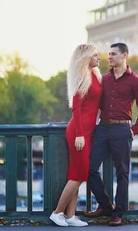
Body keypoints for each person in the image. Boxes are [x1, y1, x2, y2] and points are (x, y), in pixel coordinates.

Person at [85, 42, 138, 227]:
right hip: (102, 128)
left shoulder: (136, 81)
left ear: (124, 55)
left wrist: (134, 129)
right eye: (108, 54)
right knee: (90, 168)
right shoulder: (103, 80)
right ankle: (105, 204)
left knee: (122, 173)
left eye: (113, 54)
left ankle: (117, 213)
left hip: (122, 130)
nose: (109, 57)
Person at [50, 44, 102, 227]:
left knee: (76, 173)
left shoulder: (95, 76)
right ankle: (57, 213)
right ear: (86, 58)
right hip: (78, 132)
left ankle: (70, 216)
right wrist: (79, 135)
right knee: (80, 173)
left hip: (88, 131)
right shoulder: (82, 78)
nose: (99, 57)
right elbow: (76, 109)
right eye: (95, 55)